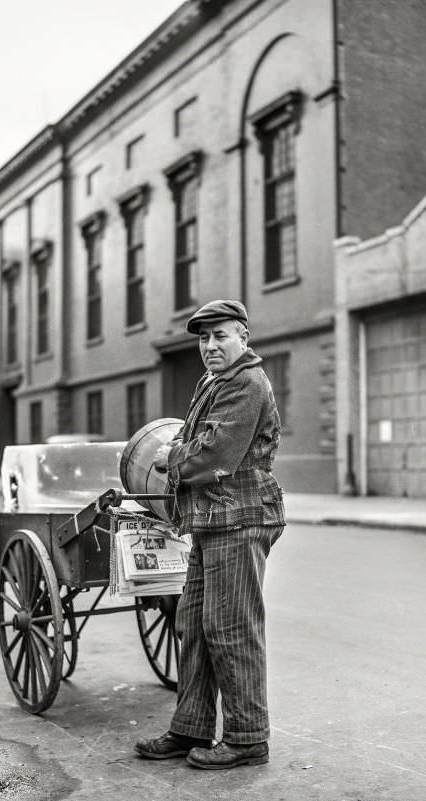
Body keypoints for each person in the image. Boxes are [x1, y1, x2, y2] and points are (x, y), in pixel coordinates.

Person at [135, 299, 285, 770]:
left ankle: (247, 737)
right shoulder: (213, 382)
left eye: (220, 336)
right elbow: (197, 442)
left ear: (243, 336)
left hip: (241, 517)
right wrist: (182, 452)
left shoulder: (246, 382)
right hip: (212, 518)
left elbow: (215, 453)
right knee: (195, 626)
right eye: (204, 338)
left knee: (231, 628)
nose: (210, 346)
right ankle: (190, 726)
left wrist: (171, 457)